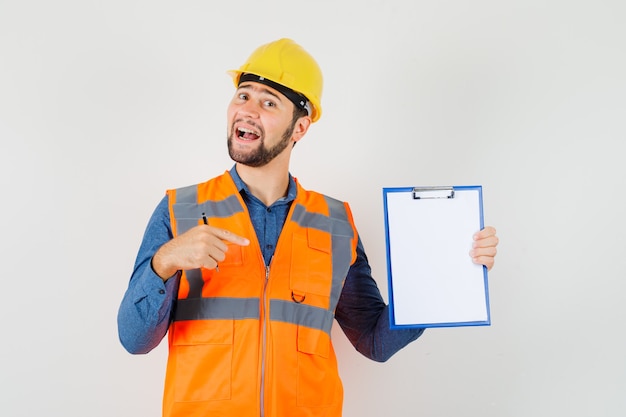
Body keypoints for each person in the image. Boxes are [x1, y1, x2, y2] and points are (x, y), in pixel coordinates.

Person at [117, 38, 499, 417]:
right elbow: (134, 340)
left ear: (299, 128)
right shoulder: (179, 209)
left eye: (268, 102)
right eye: (243, 95)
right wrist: (164, 261)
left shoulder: (335, 223)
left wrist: (448, 270)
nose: (248, 110)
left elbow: (374, 341)